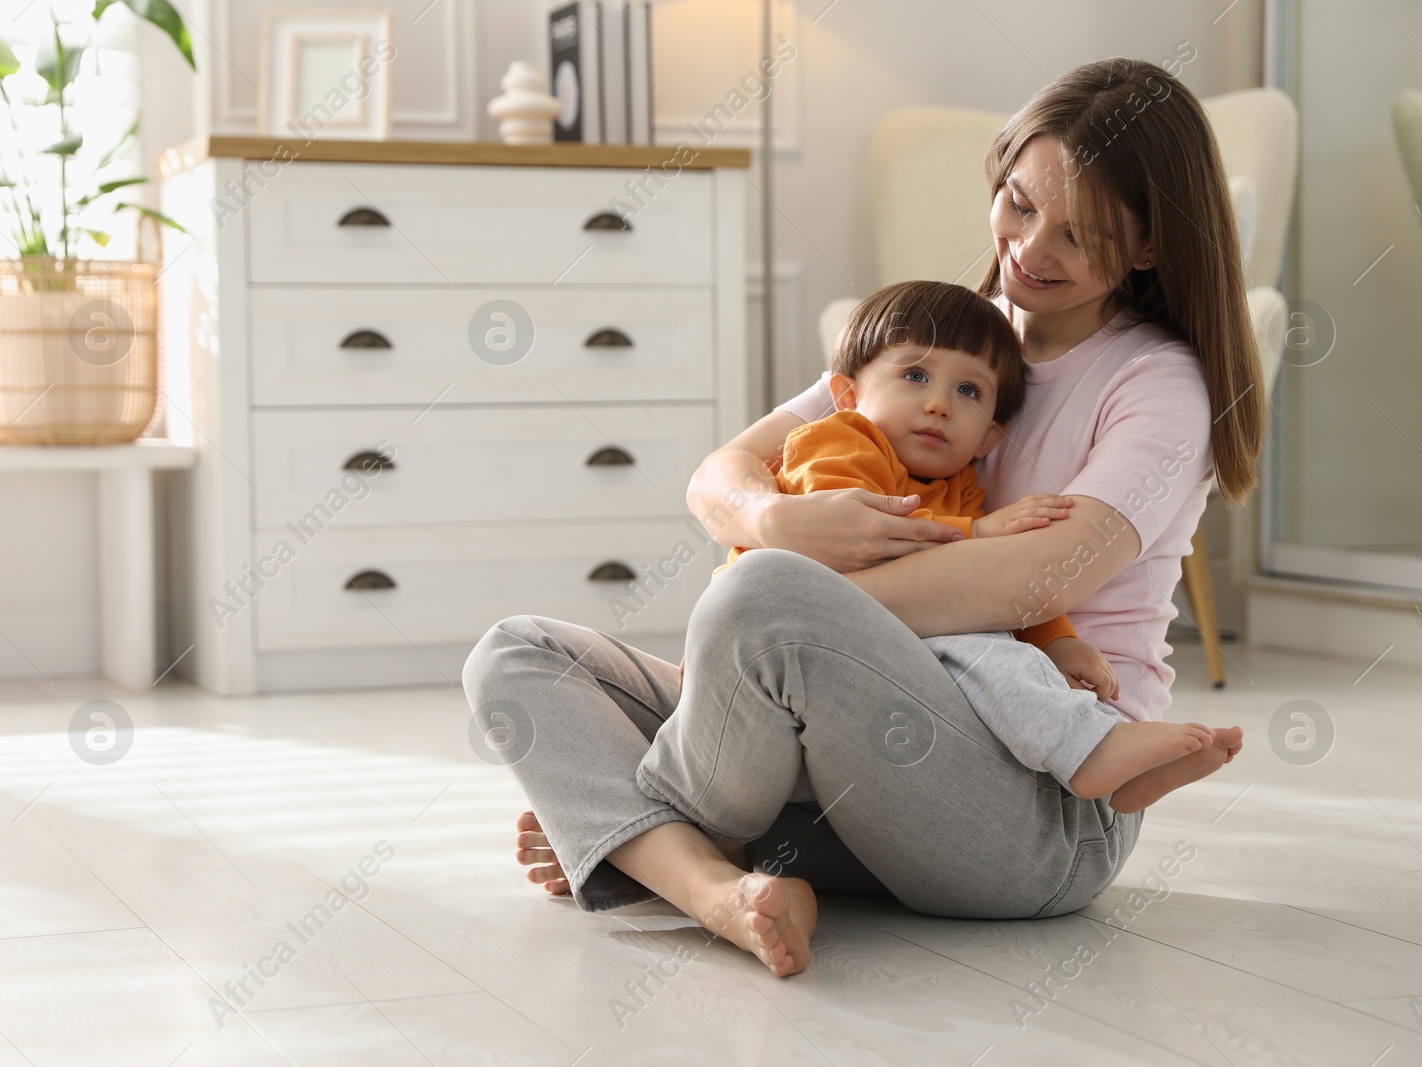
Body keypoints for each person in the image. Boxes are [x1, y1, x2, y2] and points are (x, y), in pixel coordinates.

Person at [463, 56, 1263, 979]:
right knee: (515, 654)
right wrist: (773, 519)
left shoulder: (1158, 383)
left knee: (759, 600)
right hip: (848, 777)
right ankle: (719, 891)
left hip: (1040, 806)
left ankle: (633, 836)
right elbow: (719, 474)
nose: (1030, 249)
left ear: (1152, 247)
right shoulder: (952, 337)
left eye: (1078, 237)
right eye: (1018, 202)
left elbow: (1034, 580)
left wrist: (792, 595)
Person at [667, 278, 1228, 812]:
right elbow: (847, 543)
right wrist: (976, 533)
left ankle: (1101, 757)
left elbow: (990, 589)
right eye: (915, 377)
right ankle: (1091, 751)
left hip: (861, 664)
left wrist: (1056, 641)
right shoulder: (840, 439)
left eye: (967, 391)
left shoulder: (958, 487)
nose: (939, 403)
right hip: (779, 639)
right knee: (976, 650)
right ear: (844, 395)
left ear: (988, 438)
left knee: (994, 648)